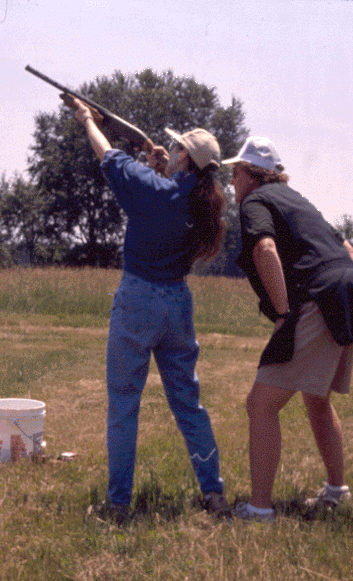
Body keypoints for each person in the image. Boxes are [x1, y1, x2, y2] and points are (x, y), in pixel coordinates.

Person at [64, 97, 230, 520]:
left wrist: (86, 119)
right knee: (189, 406)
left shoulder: (154, 188)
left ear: (184, 158)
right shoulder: (204, 204)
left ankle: (118, 504)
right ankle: (213, 495)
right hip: (178, 303)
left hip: (138, 298)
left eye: (175, 150)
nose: (169, 151)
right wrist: (161, 166)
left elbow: (107, 154)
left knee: (124, 404)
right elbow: (167, 200)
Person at [222, 136, 353, 522]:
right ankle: (336, 491)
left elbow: (265, 250)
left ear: (252, 175)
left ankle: (259, 510)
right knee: (317, 397)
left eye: (236, 172)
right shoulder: (297, 199)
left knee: (261, 403)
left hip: (322, 296)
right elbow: (347, 250)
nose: (232, 181)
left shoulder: (255, 202)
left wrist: (283, 312)